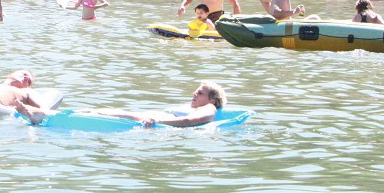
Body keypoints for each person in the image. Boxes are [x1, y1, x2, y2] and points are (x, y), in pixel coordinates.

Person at [15, 82, 226, 128]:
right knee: (94, 111)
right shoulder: (199, 105)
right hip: (146, 116)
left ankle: (40, 116)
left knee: (100, 113)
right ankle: (41, 115)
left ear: (212, 100)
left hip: (151, 121)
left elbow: (191, 120)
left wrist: (157, 121)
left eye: (200, 93)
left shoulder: (209, 109)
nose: (194, 94)